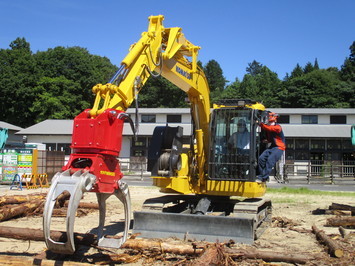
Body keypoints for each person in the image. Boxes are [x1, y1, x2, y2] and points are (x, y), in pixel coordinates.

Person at [256, 112, 286, 183]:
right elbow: (270, 138)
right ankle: (263, 175)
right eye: (269, 122)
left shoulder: (278, 127)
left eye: (271, 122)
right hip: (273, 146)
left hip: (279, 147)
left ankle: (262, 177)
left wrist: (259, 123)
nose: (270, 123)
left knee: (270, 160)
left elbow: (270, 129)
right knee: (261, 159)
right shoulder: (268, 128)